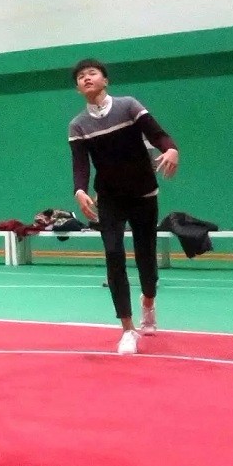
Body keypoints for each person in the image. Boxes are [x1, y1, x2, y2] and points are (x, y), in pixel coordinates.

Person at [67, 59, 180, 355]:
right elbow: (80, 164)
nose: (86, 78)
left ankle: (148, 302)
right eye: (80, 76)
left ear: (105, 80)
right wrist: (80, 190)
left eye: (92, 73)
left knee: (146, 258)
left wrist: (171, 148)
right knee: (114, 254)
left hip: (144, 194)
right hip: (110, 199)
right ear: (78, 88)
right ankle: (128, 329)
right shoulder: (78, 125)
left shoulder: (128, 106)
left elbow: (157, 133)